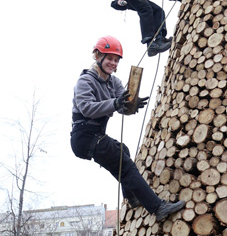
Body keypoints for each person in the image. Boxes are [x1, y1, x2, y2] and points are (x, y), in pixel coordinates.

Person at [70, 35, 185, 222]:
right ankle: (158, 207)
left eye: (116, 60)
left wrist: (131, 105)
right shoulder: (85, 81)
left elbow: (121, 105)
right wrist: (115, 103)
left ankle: (131, 197)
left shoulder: (113, 82)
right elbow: (87, 108)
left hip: (96, 135)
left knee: (123, 150)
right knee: (126, 166)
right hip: (84, 136)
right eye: (109, 58)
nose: (112, 63)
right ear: (98, 56)